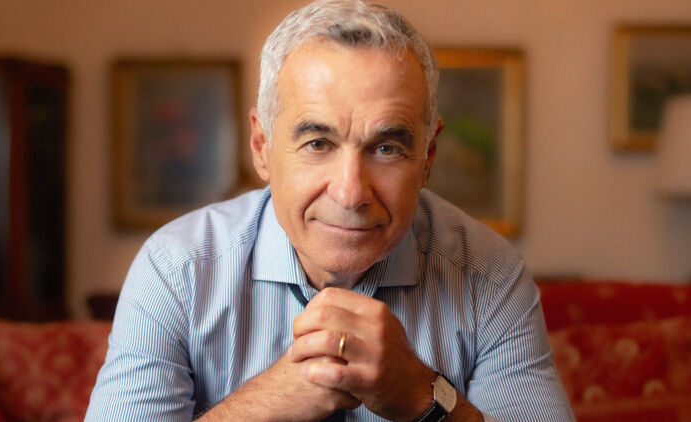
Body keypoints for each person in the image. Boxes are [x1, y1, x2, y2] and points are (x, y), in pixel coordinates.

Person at [85, 1, 575, 421]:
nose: (350, 193)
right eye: (318, 143)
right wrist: (266, 403)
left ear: (427, 157)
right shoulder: (176, 270)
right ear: (261, 147)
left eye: (386, 148)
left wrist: (421, 395)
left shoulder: (490, 275)